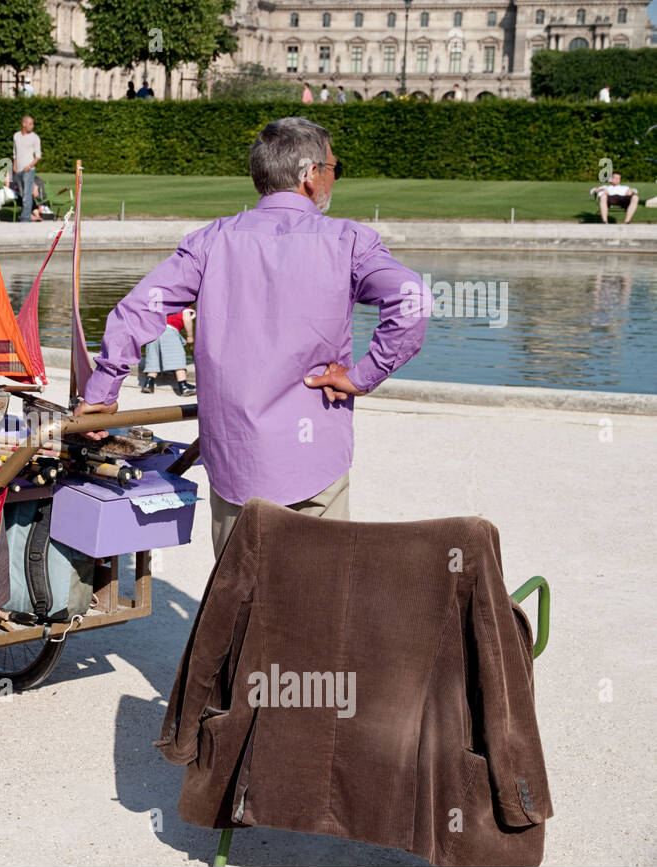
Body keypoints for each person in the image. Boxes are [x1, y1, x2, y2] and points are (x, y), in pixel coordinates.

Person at [75, 117, 432, 555]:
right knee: (320, 600)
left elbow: (137, 310)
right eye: (333, 168)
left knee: (239, 601)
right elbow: (412, 299)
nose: (333, 178)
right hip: (315, 458)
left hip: (237, 461)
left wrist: (103, 388)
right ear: (308, 174)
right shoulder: (348, 241)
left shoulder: (211, 241)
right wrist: (363, 375)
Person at [140, 307, 196, 395]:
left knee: (154, 359)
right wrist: (190, 336)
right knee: (178, 358)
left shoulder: (162, 303)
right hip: (169, 331)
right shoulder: (184, 305)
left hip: (154, 332)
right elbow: (186, 318)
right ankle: (183, 386)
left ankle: (148, 383)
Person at [12, 115, 41, 223]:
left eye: (32, 124)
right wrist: (14, 166)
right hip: (18, 170)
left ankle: (25, 218)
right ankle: (27, 215)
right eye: (30, 124)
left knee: (27, 195)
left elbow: (38, 156)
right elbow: (15, 153)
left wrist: (29, 166)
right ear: (24, 124)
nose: (32, 126)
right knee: (23, 195)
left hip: (29, 171)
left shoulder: (35, 138)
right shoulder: (16, 136)